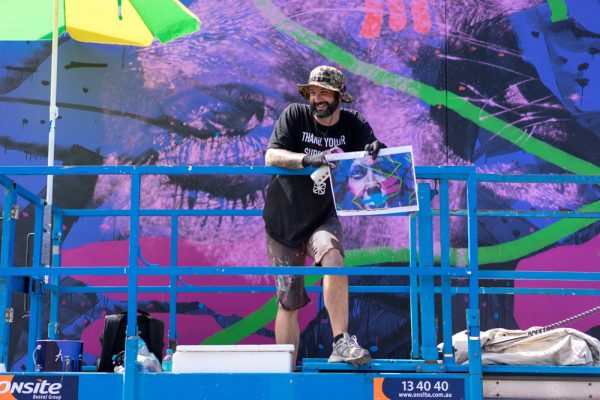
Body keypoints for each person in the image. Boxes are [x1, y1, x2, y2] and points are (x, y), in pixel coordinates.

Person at [262, 65, 385, 367]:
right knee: (289, 302)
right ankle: (287, 372)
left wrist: (376, 150)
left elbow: (372, 156)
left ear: (339, 96)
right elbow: (271, 155)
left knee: (332, 255)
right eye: (312, 92)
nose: (316, 98)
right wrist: (307, 159)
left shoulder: (354, 123)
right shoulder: (294, 115)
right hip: (283, 220)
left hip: (322, 217)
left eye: (324, 93)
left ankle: (340, 342)